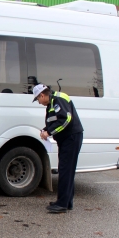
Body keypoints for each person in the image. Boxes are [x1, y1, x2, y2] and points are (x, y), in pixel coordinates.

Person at [33, 83, 84, 214]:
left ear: (42, 95)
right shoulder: (52, 102)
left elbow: (66, 119)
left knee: (66, 170)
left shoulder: (58, 99)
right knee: (67, 170)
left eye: (38, 99)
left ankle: (62, 204)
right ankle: (66, 202)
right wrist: (46, 129)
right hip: (67, 139)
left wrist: (49, 132)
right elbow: (55, 121)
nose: (39, 102)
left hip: (71, 138)